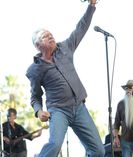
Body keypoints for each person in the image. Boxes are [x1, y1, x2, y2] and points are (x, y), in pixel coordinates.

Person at [25, 1, 105, 157]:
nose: (50, 36)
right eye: (45, 36)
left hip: (79, 107)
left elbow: (81, 28)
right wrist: (39, 111)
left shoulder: (65, 48)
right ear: (37, 45)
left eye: (50, 34)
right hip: (58, 110)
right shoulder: (35, 69)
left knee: (98, 150)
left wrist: (92, 6)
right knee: (54, 146)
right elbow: (35, 96)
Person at [113, 80, 133, 157]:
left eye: (130, 87)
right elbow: (116, 123)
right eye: (126, 88)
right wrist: (115, 137)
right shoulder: (121, 104)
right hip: (126, 138)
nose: (128, 89)